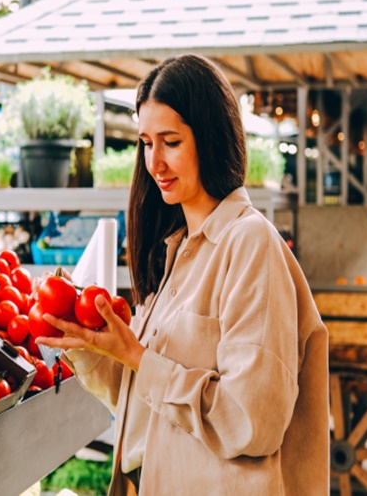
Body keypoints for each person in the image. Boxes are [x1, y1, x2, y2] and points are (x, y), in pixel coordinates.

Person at [36, 54, 329, 495]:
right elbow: (147, 401)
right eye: (146, 143)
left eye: (170, 142)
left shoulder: (249, 244)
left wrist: (138, 358)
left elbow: (252, 421)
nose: (154, 163)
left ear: (210, 138)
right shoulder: (175, 251)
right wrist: (93, 348)